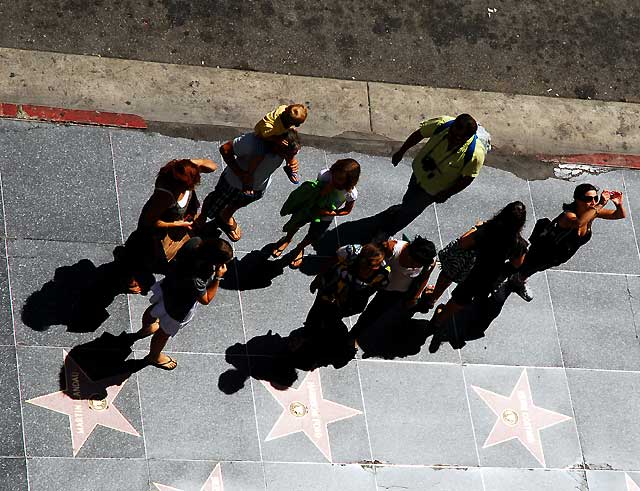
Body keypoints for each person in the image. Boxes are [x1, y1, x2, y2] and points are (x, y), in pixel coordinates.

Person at [427, 201, 528, 352]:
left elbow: (463, 243)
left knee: (448, 276)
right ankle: (440, 321)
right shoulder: (519, 244)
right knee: (461, 299)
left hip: (470, 268)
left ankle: (432, 298)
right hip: (487, 278)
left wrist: (475, 227)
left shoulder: (487, 230)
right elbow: (516, 264)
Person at [115, 158, 218, 293]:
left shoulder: (185, 171)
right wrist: (175, 224)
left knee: (150, 253)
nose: (191, 187)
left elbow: (213, 167)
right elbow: (150, 221)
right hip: (155, 230)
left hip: (172, 223)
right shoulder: (165, 195)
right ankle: (127, 277)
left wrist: (194, 163)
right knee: (140, 251)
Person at [509, 184, 627, 301]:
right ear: (577, 200)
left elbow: (619, 215)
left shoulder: (592, 214)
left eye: (595, 198)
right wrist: (600, 204)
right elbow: (578, 223)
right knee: (529, 267)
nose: (593, 202)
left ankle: (516, 277)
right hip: (545, 251)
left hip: (559, 255)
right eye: (588, 199)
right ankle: (514, 281)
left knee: (532, 268)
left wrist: (619, 204)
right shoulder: (568, 215)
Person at [132, 237, 234, 370]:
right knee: (164, 333)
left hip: (168, 288)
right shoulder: (199, 275)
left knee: (153, 310)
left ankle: (146, 328)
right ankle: (154, 356)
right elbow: (205, 299)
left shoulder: (195, 242)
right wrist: (218, 277)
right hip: (179, 307)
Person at [379, 114, 488, 237]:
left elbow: (467, 178)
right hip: (419, 173)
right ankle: (402, 209)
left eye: (457, 138)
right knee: (409, 197)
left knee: (411, 212)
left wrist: (447, 194)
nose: (451, 138)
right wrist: (401, 151)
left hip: (433, 190)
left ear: (467, 138)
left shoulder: (475, 154)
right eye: (451, 133)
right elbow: (418, 134)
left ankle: (387, 232)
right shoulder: (442, 124)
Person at [196, 130, 301, 242]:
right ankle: (202, 217)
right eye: (286, 154)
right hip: (232, 183)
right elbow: (225, 149)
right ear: (278, 143)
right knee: (215, 199)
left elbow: (291, 154)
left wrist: (290, 163)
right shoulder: (251, 142)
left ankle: (225, 216)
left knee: (239, 203)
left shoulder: (286, 147)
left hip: (259, 186)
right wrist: (241, 174)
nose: (288, 156)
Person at [289, 243, 391, 353]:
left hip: (350, 301)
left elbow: (373, 290)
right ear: (361, 258)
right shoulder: (350, 252)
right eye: (369, 265)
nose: (372, 268)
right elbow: (331, 263)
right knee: (316, 312)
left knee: (333, 317)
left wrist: (354, 299)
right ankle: (307, 333)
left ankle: (321, 334)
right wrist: (319, 278)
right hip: (330, 289)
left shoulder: (383, 273)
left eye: (376, 265)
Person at [272, 158, 360, 268]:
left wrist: (329, 213)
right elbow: (314, 191)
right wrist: (324, 191)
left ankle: (300, 248)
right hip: (310, 208)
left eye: (340, 179)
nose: (336, 180)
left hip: (325, 216)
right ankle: (287, 239)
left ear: (349, 181)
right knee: (296, 223)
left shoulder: (350, 193)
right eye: (335, 175)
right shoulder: (325, 175)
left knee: (314, 235)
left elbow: (347, 210)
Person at [351, 235, 438, 342]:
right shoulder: (392, 249)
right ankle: (352, 333)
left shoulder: (428, 261)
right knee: (364, 308)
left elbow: (425, 277)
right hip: (382, 286)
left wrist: (415, 296)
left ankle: (356, 334)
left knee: (377, 313)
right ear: (409, 254)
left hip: (401, 291)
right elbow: (372, 259)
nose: (414, 268)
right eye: (413, 264)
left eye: (418, 266)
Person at [255, 103, 308, 184]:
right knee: (260, 153)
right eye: (296, 123)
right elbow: (261, 135)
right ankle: (251, 172)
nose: (297, 126)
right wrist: (276, 139)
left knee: (293, 143)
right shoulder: (270, 127)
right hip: (267, 136)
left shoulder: (284, 109)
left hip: (280, 131)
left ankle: (290, 163)